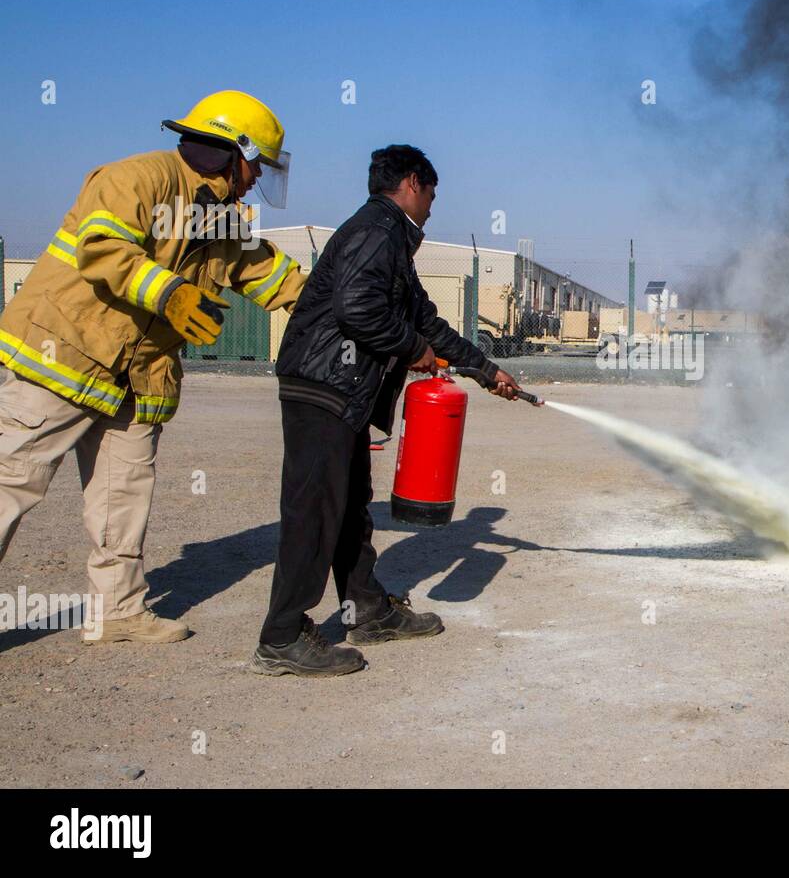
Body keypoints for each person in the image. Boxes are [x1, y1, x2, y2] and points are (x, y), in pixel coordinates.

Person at [0, 90, 305, 643]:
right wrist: (171, 296)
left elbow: (266, 272)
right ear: (231, 150)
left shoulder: (223, 217)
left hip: (137, 377)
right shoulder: (137, 179)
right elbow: (104, 250)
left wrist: (331, 301)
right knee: (9, 484)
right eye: (254, 163)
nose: (256, 178)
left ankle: (117, 612)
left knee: (124, 495)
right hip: (65, 359)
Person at [253, 145, 519, 677]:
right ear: (413, 183)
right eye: (432, 195)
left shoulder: (392, 238)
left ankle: (367, 609)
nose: (432, 208)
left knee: (349, 505)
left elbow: (426, 319)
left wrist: (484, 370)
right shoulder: (378, 230)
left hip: (341, 390)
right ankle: (281, 637)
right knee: (314, 510)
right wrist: (410, 347)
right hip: (323, 384)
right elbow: (358, 309)